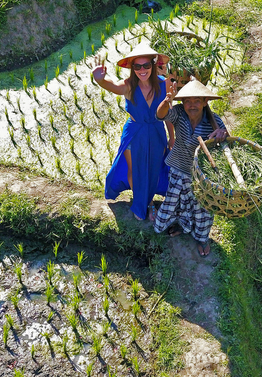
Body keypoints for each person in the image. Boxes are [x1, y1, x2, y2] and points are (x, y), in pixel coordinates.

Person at [92, 43, 174, 221]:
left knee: (153, 169)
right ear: (132, 68)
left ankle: (150, 202)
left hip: (156, 132)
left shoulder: (164, 84)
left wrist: (172, 138)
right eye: (137, 66)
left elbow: (168, 113)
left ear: (153, 65)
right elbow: (113, 86)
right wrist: (100, 80)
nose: (142, 70)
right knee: (134, 168)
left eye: (146, 65)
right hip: (135, 132)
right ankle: (139, 202)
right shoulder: (129, 86)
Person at [154, 79, 228, 257]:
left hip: (200, 174)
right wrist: (167, 100)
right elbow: (160, 115)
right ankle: (181, 225)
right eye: (188, 101)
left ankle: (202, 237)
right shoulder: (178, 113)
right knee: (175, 202)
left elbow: (226, 139)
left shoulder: (214, 121)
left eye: (197, 101)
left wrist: (222, 134)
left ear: (205, 102)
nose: (192, 105)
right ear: (182, 103)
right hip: (178, 167)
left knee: (202, 207)